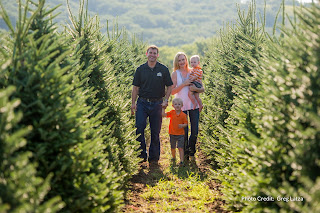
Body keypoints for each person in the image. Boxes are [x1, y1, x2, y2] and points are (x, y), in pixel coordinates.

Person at [131, 45, 173, 165]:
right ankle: (141, 155)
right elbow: (135, 87)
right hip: (142, 103)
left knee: (155, 131)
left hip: (157, 104)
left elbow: (169, 85)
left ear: (157, 55)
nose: (152, 55)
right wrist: (133, 103)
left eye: (155, 53)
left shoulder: (163, 69)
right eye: (150, 52)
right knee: (139, 128)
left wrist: (166, 100)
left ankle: (154, 158)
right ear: (146, 54)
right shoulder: (140, 69)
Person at [171, 52, 204, 163]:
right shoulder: (175, 74)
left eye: (183, 59)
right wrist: (184, 84)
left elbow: (202, 89)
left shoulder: (193, 71)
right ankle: (184, 154)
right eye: (179, 60)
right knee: (184, 132)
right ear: (177, 62)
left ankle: (191, 150)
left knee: (194, 131)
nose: (181, 62)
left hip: (193, 106)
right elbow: (172, 91)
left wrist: (196, 90)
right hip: (181, 107)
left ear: (186, 60)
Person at [162, 97, 188, 167]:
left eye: (179, 104)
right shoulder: (172, 113)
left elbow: (186, 123)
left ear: (182, 105)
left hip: (180, 134)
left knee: (180, 147)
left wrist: (182, 125)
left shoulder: (183, 115)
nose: (177, 105)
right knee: (172, 147)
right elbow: (163, 115)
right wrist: (163, 108)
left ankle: (182, 161)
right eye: (175, 104)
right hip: (172, 133)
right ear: (173, 106)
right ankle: (173, 158)